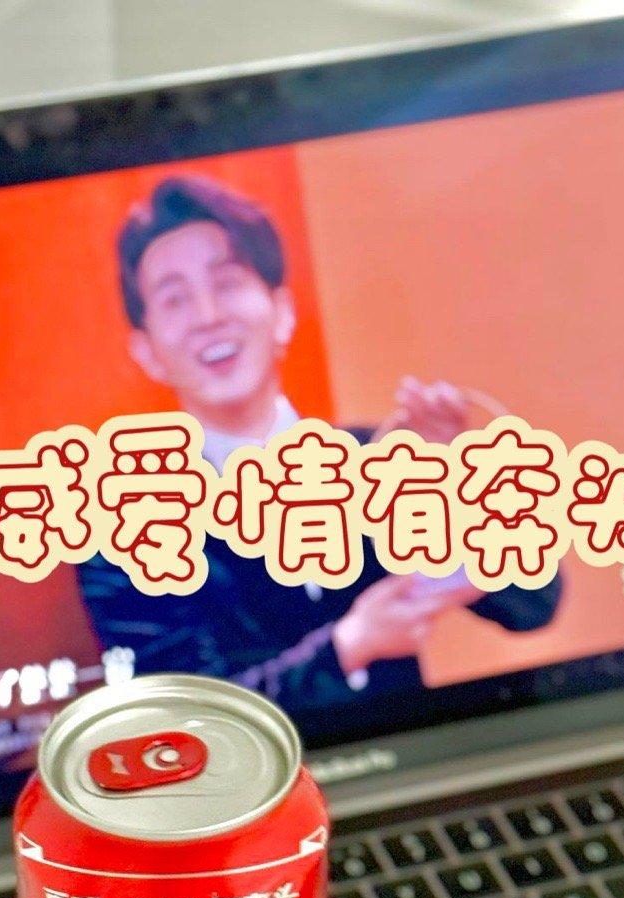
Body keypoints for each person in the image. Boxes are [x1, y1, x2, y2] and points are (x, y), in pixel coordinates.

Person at [78, 175, 560, 716]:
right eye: (175, 299)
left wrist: (453, 485)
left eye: (227, 282)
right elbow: (193, 718)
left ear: (282, 312)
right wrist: (352, 644)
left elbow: (533, 604)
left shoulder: (375, 458)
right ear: (146, 352)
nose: (209, 316)